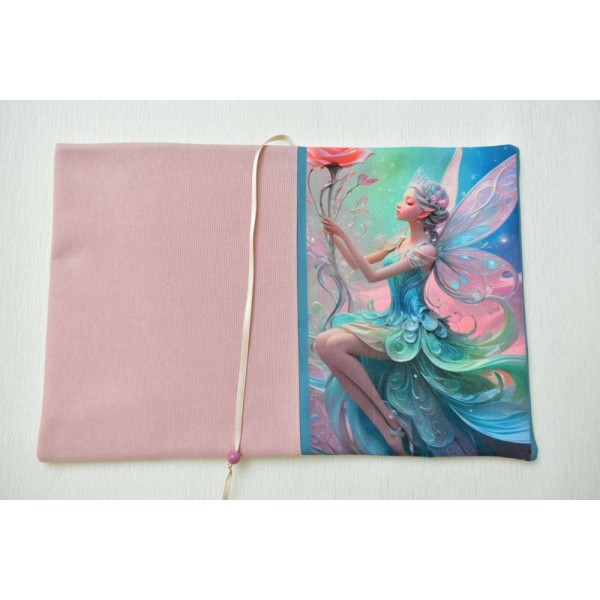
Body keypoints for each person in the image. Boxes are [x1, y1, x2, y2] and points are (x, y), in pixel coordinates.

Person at [315, 168, 533, 458]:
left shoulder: (426, 251)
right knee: (323, 343)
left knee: (334, 346)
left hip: (411, 328)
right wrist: (335, 238)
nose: (400, 205)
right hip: (390, 319)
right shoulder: (398, 243)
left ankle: (387, 418)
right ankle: (385, 422)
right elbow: (356, 264)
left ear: (423, 213)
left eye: (407, 202)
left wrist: (343, 233)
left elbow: (371, 275)